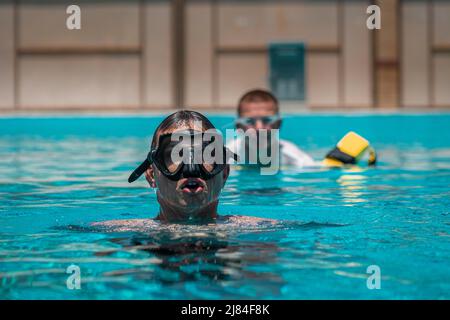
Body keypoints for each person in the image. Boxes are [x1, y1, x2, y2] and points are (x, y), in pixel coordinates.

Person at [92, 110, 278, 229]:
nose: (191, 169)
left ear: (225, 173)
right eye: (175, 155)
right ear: (151, 175)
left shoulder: (260, 229)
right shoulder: (119, 232)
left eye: (206, 154)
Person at [227, 89, 315, 168]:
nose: (259, 128)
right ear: (238, 126)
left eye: (267, 120)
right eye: (250, 121)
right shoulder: (224, 158)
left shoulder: (295, 158)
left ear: (278, 124)